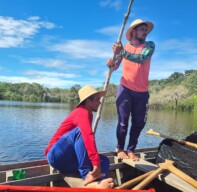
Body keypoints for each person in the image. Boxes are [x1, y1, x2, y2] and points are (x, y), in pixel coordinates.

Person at [44, 85, 114, 189]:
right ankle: (87, 176)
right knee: (80, 132)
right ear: (88, 102)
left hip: (68, 160)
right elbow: (88, 136)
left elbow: (86, 142)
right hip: (56, 156)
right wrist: (96, 164)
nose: (100, 102)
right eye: (97, 99)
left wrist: (97, 163)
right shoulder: (81, 112)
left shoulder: (89, 114)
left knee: (105, 161)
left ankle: (98, 180)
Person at [106, 19, 155, 161]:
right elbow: (114, 67)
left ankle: (131, 149)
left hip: (142, 92)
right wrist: (110, 63)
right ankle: (120, 148)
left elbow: (141, 58)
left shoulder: (149, 45)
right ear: (133, 31)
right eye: (142, 30)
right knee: (123, 122)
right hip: (125, 88)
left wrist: (122, 51)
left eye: (146, 30)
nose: (145, 33)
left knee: (139, 123)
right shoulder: (125, 47)